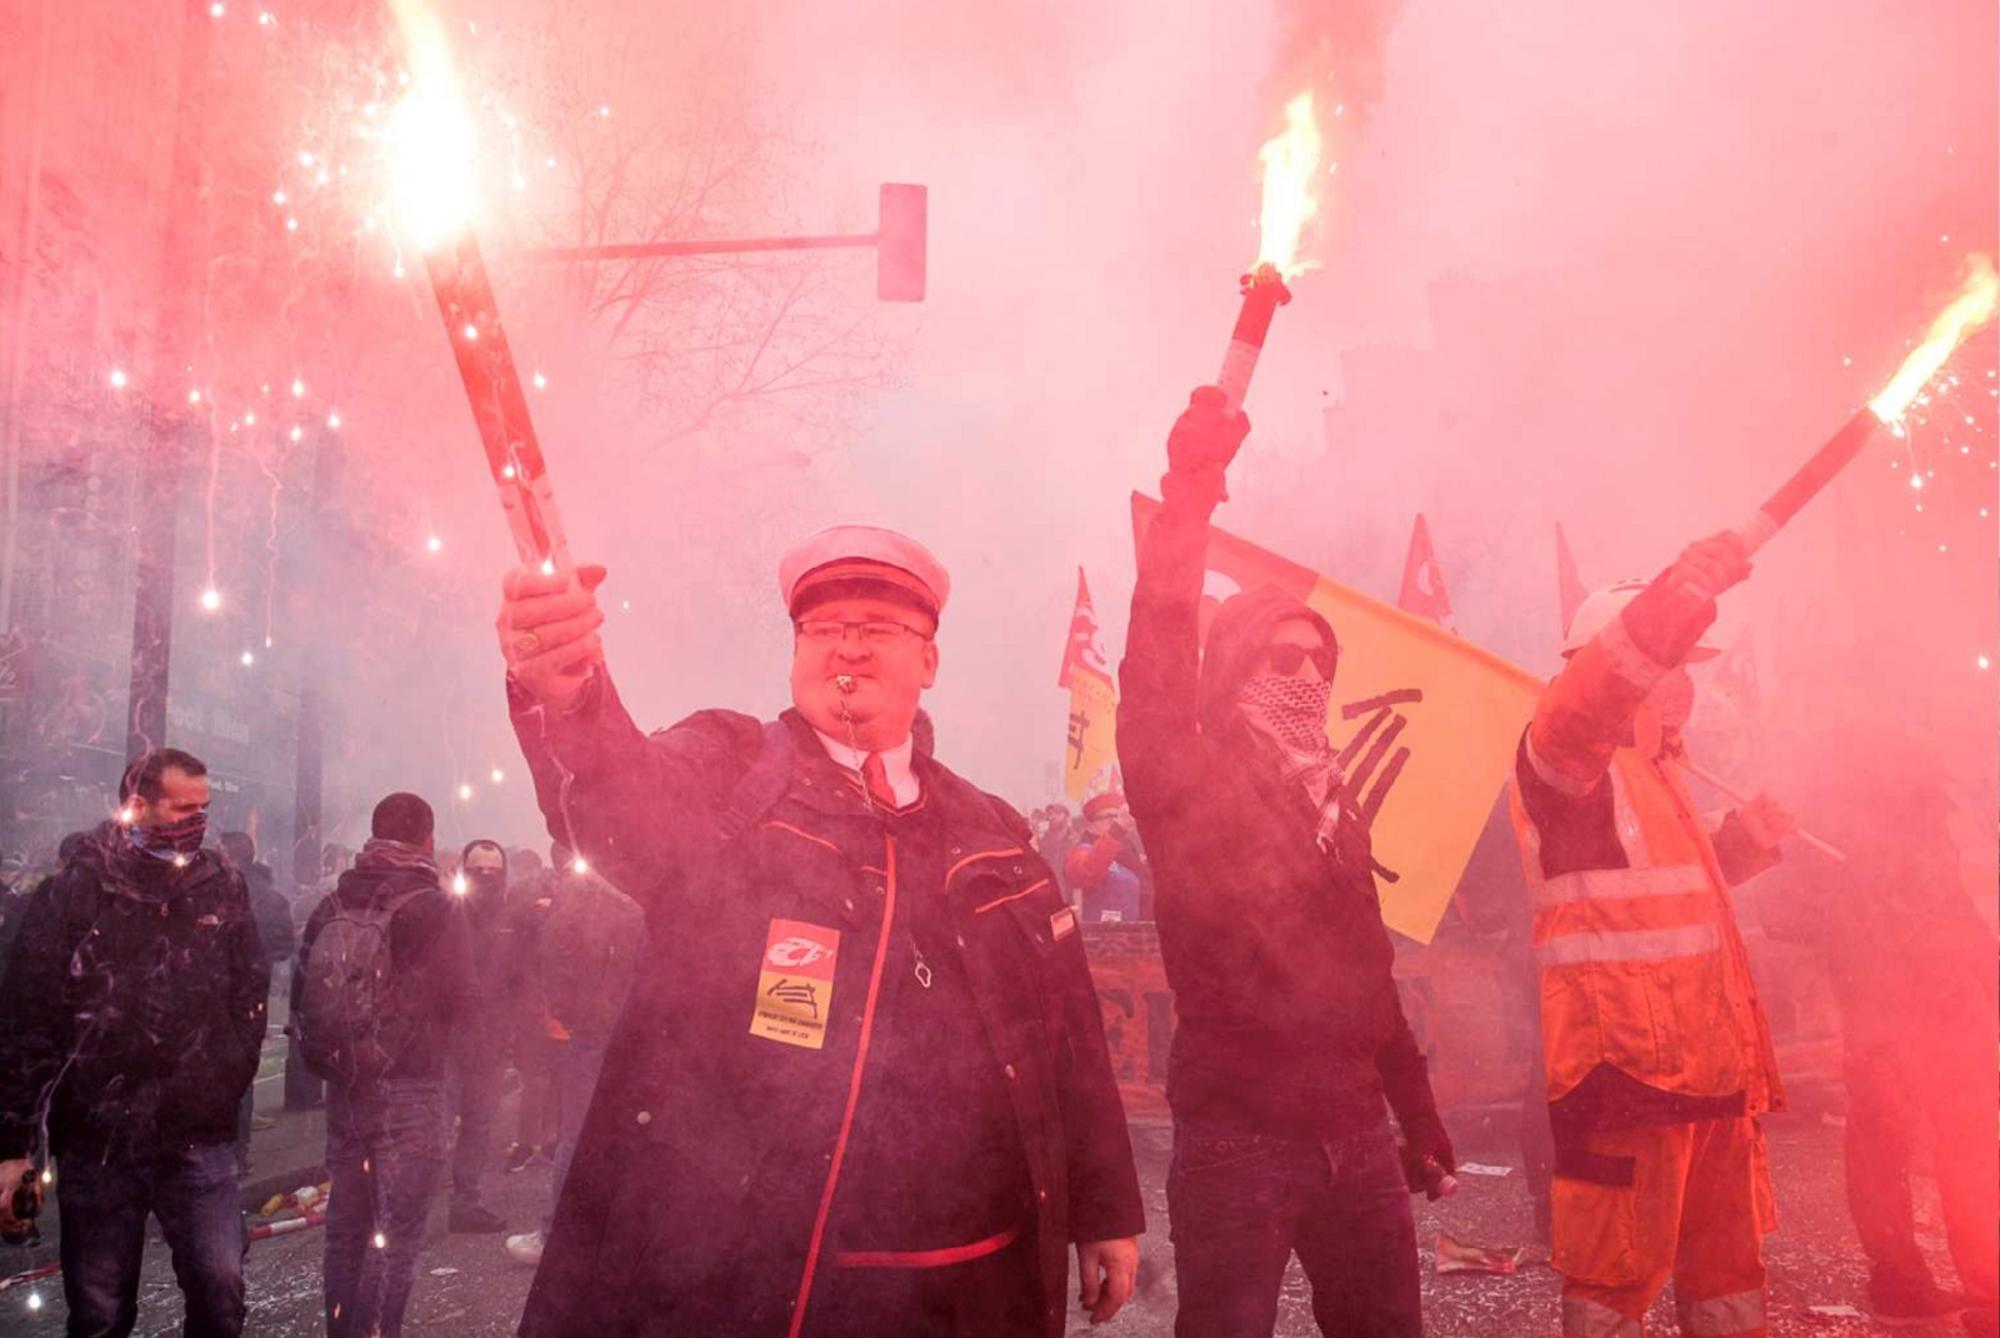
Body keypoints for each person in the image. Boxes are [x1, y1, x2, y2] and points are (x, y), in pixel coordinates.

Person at [496, 525, 1144, 1335]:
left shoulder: (994, 831)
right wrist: (567, 690)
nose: (851, 647)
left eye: (879, 629)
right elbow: (619, 792)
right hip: (777, 1278)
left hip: (979, 1283)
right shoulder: (731, 771)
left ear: (930, 662)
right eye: (825, 628)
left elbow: (1067, 1029)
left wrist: (1106, 1206)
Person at [1117, 387, 1451, 1337]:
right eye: (1278, 659)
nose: (1303, 678)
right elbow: (1157, 649)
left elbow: (1367, 974)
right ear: (1229, 673)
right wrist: (1191, 496)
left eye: (1317, 663)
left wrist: (1414, 1114)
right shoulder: (1185, 779)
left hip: (1356, 1133)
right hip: (1239, 1139)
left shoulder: (1336, 806)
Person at [1509, 556, 1795, 1338]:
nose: (1683, 681)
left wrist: (1737, 848)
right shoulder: (1568, 764)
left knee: (1729, 1276)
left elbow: (1651, 906)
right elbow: (1580, 714)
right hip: (1624, 1082)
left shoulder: (1659, 770)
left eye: (1686, 667)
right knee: (1614, 1283)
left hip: (1710, 1076)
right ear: (1610, 667)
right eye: (1668, 662)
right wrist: (1664, 615)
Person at [0, 747, 268, 1336]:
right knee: (99, 1314)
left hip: (198, 1135)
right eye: (183, 807)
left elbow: (249, 992)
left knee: (221, 1296)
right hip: (100, 1140)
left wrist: (224, 1076)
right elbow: (29, 1021)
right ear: (138, 805)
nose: (198, 820)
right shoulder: (75, 893)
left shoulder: (221, 886)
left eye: (205, 806)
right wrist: (17, 1146)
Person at [1760, 762, 1997, 1335]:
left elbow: (1950, 908)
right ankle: (1917, 1283)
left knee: (1957, 1141)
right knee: (1894, 1139)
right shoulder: (1844, 810)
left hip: (1941, 1008)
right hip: (1882, 1013)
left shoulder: (1923, 802)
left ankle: (1975, 1285)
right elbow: (1781, 913)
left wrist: (1987, 972)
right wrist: (1857, 914)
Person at [294, 791, 476, 1338]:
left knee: (346, 1230)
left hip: (345, 1087)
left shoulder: (333, 902)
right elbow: (464, 998)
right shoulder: (436, 907)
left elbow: (303, 988)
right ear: (427, 839)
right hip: (413, 1085)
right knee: (393, 1238)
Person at [504, 848, 647, 1268]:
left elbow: (553, 951)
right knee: (615, 1132)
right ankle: (602, 1235)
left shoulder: (588, 886)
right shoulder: (636, 878)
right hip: (634, 1031)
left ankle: (563, 1234)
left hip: (601, 1032)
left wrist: (579, 1013)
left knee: (580, 1133)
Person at [444, 838, 513, 1233]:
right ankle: (408, 1212)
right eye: (477, 869)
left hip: (490, 1041)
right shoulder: (446, 912)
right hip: (450, 1039)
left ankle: (465, 1204)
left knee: (478, 1126)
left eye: (493, 870)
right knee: (436, 1131)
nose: (486, 877)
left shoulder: (511, 915)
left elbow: (522, 976)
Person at [221, 829, 297, 1172]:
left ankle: (228, 1154)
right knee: (241, 1073)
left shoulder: (219, 891)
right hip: (250, 996)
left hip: (223, 995)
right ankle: (236, 1153)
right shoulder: (271, 898)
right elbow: (283, 946)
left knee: (223, 1073)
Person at [1063, 792, 1149, 923]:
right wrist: (1116, 831)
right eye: (1109, 817)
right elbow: (1083, 873)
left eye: (1118, 816)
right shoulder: (1081, 850)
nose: (1115, 822)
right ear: (1089, 825)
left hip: (1137, 934)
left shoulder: (1130, 851)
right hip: (1099, 938)